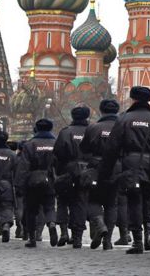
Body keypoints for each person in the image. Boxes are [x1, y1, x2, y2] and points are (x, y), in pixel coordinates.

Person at [100, 86, 150, 254]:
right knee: (148, 200)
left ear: (133, 99)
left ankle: (137, 241)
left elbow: (112, 148)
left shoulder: (124, 119)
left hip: (131, 164)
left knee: (134, 201)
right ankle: (149, 234)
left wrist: (105, 172)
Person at [80, 99, 121, 250]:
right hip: (116, 168)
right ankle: (108, 240)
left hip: (96, 168)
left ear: (101, 111)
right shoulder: (122, 126)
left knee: (93, 200)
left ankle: (99, 222)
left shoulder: (93, 127)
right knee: (111, 203)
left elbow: (84, 149)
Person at [15, 118, 59, 248]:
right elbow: (59, 163)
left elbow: (23, 166)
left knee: (31, 210)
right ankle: (51, 224)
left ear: (37, 129)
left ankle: (32, 238)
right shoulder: (56, 143)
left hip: (32, 181)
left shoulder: (30, 144)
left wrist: (19, 184)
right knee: (49, 206)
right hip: (50, 179)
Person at [54, 106, 92, 249]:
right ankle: (77, 238)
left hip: (67, 172)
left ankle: (64, 232)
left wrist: (60, 171)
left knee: (63, 202)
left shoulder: (65, 132)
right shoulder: (91, 131)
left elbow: (57, 154)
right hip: (86, 172)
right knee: (80, 204)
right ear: (87, 116)